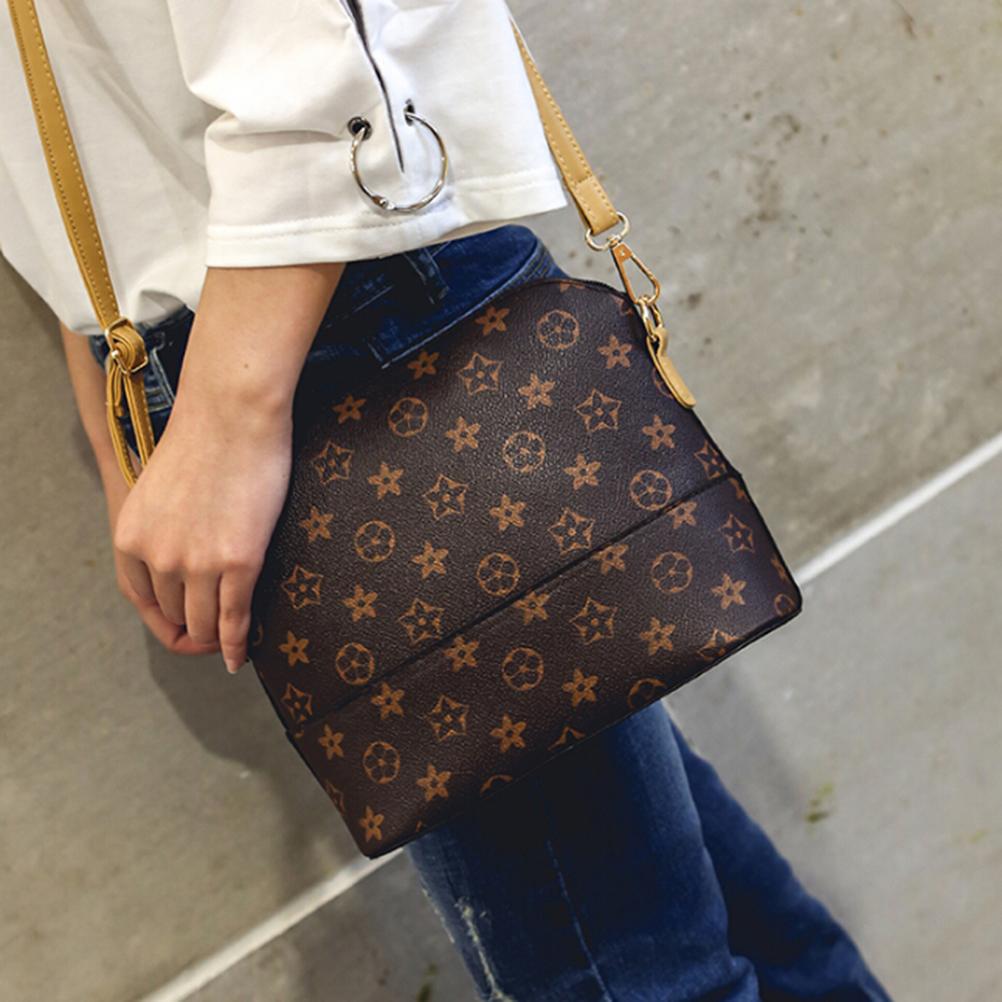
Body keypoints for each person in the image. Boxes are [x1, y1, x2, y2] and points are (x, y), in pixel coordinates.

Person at [1, 2, 893, 999]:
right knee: (683, 935)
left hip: (329, 332)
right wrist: (123, 431)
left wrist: (222, 419)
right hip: (277, 344)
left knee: (620, 975)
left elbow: (310, 73)